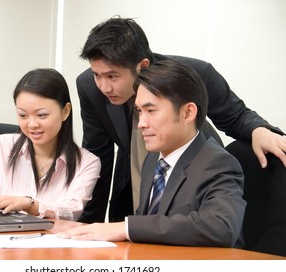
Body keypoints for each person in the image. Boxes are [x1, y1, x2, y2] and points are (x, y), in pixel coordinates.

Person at [76, 16, 286, 223]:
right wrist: (85, 230)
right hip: (136, 169)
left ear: (143, 66)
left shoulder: (193, 74)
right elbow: (97, 157)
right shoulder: (89, 87)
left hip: (191, 169)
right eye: (97, 75)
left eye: (112, 76)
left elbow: (234, 115)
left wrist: (258, 130)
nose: (104, 87)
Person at [59, 61, 246, 247]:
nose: (141, 123)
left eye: (151, 111)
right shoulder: (153, 160)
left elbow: (221, 226)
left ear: (188, 113)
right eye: (139, 111)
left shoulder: (218, 163)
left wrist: (126, 228)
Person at [0, 68, 101, 221]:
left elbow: (70, 211)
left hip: (52, 242)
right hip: (3, 239)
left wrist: (29, 204)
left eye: (42, 115)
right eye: (23, 115)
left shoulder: (87, 163)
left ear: (65, 111)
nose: (32, 124)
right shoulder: (1, 145)